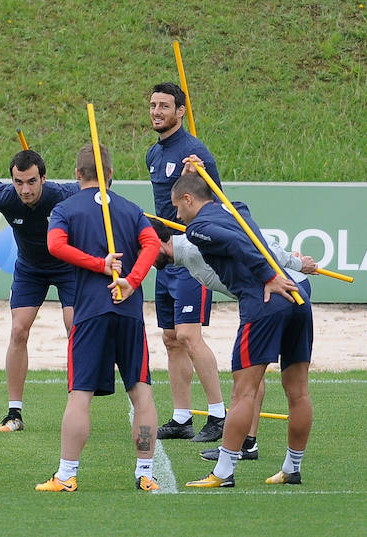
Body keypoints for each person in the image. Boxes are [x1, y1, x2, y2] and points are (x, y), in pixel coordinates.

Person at [170, 161, 313, 488]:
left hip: (266, 297)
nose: (177, 217)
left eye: (178, 207)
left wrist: (267, 276)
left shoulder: (196, 229)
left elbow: (237, 245)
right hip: (298, 290)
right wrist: (202, 172)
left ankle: (223, 473)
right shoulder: (235, 208)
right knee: (298, 390)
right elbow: (220, 203)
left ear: (189, 199)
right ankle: (292, 469)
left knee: (243, 392)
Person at [34, 143, 161, 493]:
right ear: (110, 174)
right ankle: (145, 472)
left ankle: (66, 474)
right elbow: (152, 245)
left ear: (77, 175)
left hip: (89, 312)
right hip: (129, 312)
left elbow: (55, 246)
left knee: (80, 395)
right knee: (141, 393)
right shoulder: (131, 209)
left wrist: (99, 265)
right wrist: (130, 282)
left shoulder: (65, 209)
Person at [148, 217, 317, 461]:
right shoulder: (186, 256)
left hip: (283, 290)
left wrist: (296, 263)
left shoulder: (195, 243)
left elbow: (257, 241)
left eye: (142, 250)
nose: (143, 261)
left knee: (255, 374)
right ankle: (247, 444)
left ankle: (245, 447)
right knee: (254, 373)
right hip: (265, 296)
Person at [0, 150, 79, 432]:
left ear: (43, 179)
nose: (25, 189)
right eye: (18, 182)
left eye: (32, 181)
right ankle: (14, 413)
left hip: (67, 266)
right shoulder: (4, 198)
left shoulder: (62, 194)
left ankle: (78, 404)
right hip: (30, 268)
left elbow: (95, 185)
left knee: (74, 328)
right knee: (19, 330)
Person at [146, 82, 226, 442]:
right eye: (152, 105)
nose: (157, 111)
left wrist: (201, 172)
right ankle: (181, 418)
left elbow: (218, 203)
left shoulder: (195, 152)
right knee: (170, 338)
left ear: (180, 111)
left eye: (164, 106)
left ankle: (218, 415)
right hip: (165, 256)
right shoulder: (153, 154)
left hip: (191, 255)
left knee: (190, 336)